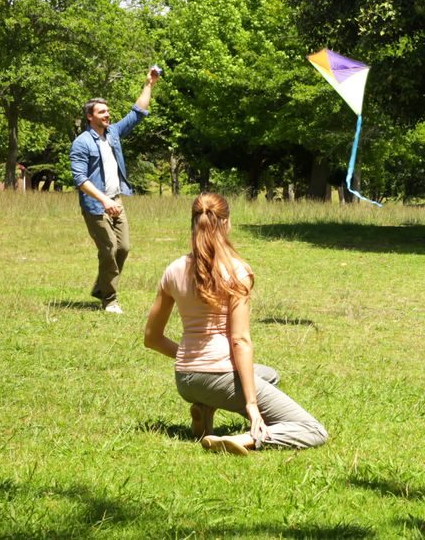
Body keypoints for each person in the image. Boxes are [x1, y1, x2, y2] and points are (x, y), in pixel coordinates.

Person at [144, 193, 328, 455]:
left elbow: (151, 338)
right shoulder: (236, 271)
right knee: (312, 430)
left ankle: (205, 410)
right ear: (227, 223)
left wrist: (189, 360)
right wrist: (252, 405)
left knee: (269, 374)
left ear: (193, 223)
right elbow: (240, 340)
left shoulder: (173, 269)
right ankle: (243, 439)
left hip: (185, 379)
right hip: (217, 375)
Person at [70, 67, 160, 314]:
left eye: (108, 111)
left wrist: (149, 84)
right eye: (102, 112)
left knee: (124, 248)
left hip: (116, 199)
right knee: (109, 248)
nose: (108, 115)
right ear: (90, 116)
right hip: (95, 205)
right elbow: (80, 179)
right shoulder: (82, 143)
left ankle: (101, 286)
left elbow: (137, 112)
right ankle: (109, 299)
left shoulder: (113, 134)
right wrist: (103, 201)